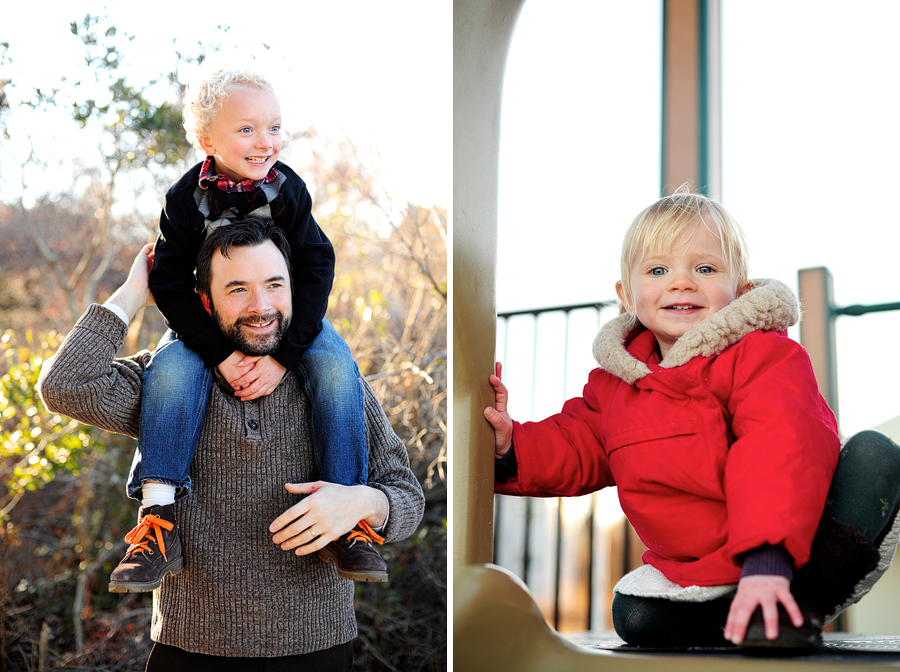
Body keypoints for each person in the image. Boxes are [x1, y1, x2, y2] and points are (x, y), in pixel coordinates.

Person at [485, 189, 900, 650]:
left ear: (740, 289)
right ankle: (743, 618)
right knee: (634, 615)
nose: (681, 282)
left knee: (874, 455)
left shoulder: (763, 357)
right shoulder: (615, 385)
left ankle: (793, 603)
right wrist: (511, 447)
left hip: (796, 542)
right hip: (704, 571)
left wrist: (767, 562)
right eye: (658, 270)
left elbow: (777, 451)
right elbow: (574, 444)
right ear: (627, 296)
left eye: (704, 269)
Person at [37, 219, 425, 667]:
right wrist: (134, 294)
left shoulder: (333, 380)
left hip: (318, 649)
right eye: (237, 289)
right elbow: (64, 385)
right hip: (189, 651)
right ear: (204, 301)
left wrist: (362, 503)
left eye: (275, 285)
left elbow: (406, 495)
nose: (262, 306)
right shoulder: (167, 382)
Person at [118, 65, 384, 592]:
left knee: (335, 368)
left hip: (291, 326)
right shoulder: (184, 200)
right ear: (205, 138)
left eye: (274, 127)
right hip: (206, 330)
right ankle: (158, 520)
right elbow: (170, 283)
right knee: (168, 374)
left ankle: (349, 517)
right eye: (246, 130)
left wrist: (285, 354)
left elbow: (315, 267)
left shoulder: (288, 190)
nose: (265, 142)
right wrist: (217, 353)